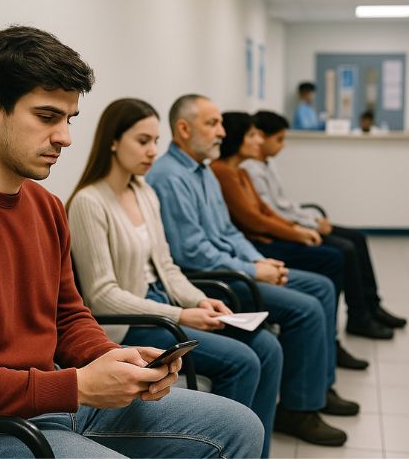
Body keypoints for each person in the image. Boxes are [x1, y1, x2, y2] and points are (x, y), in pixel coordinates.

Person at [0, 26, 263, 459]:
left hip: (52, 404)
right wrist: (74, 385)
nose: (65, 137)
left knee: (240, 426)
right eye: (46, 117)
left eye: (69, 119)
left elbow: (68, 316)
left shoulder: (45, 206)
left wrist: (117, 361)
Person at [65, 98, 282, 457]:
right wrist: (181, 315)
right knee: (242, 361)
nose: (153, 151)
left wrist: (198, 300)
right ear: (113, 141)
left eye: (155, 141)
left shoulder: (144, 192)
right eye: (142, 141)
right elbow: (102, 295)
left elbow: (167, 267)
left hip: (165, 307)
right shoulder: (89, 202)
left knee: (267, 347)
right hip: (132, 322)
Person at [147, 94, 362, 448]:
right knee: (306, 308)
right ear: (183, 130)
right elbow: (193, 252)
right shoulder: (171, 177)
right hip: (209, 280)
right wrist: (251, 269)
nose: (221, 132)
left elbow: (228, 233)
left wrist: (258, 263)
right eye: (212, 124)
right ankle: (300, 408)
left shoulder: (204, 170)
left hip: (234, 269)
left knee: (321, 287)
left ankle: (317, 390)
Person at [210, 111, 392, 341]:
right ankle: (337, 334)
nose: (258, 140)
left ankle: (362, 313)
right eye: (252, 135)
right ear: (237, 138)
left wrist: (298, 230)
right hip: (258, 244)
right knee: (336, 255)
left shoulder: (240, 171)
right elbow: (254, 220)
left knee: (349, 244)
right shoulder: (224, 172)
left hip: (262, 239)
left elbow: (266, 211)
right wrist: (297, 233)